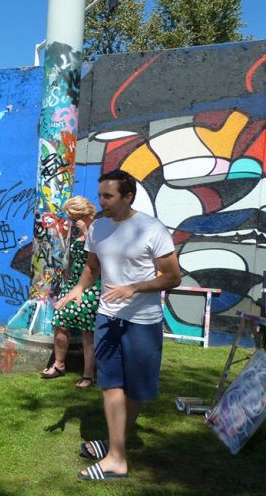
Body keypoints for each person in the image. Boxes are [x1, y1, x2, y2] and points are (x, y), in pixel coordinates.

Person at [55, 170, 181, 481]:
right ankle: (116, 457)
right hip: (107, 317)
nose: (102, 202)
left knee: (135, 389)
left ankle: (115, 448)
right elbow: (92, 266)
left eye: (108, 196)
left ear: (128, 197)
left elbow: (172, 277)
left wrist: (134, 288)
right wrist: (79, 288)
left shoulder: (152, 229)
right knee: (110, 384)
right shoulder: (98, 227)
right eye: (100, 195)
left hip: (142, 322)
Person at [42, 196, 100, 389]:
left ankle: (88, 374)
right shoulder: (79, 232)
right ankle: (59, 364)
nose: (73, 222)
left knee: (88, 329)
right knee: (60, 321)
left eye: (75, 218)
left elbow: (98, 257)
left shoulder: (98, 230)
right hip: (73, 284)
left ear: (84, 214)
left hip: (92, 284)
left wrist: (86, 230)